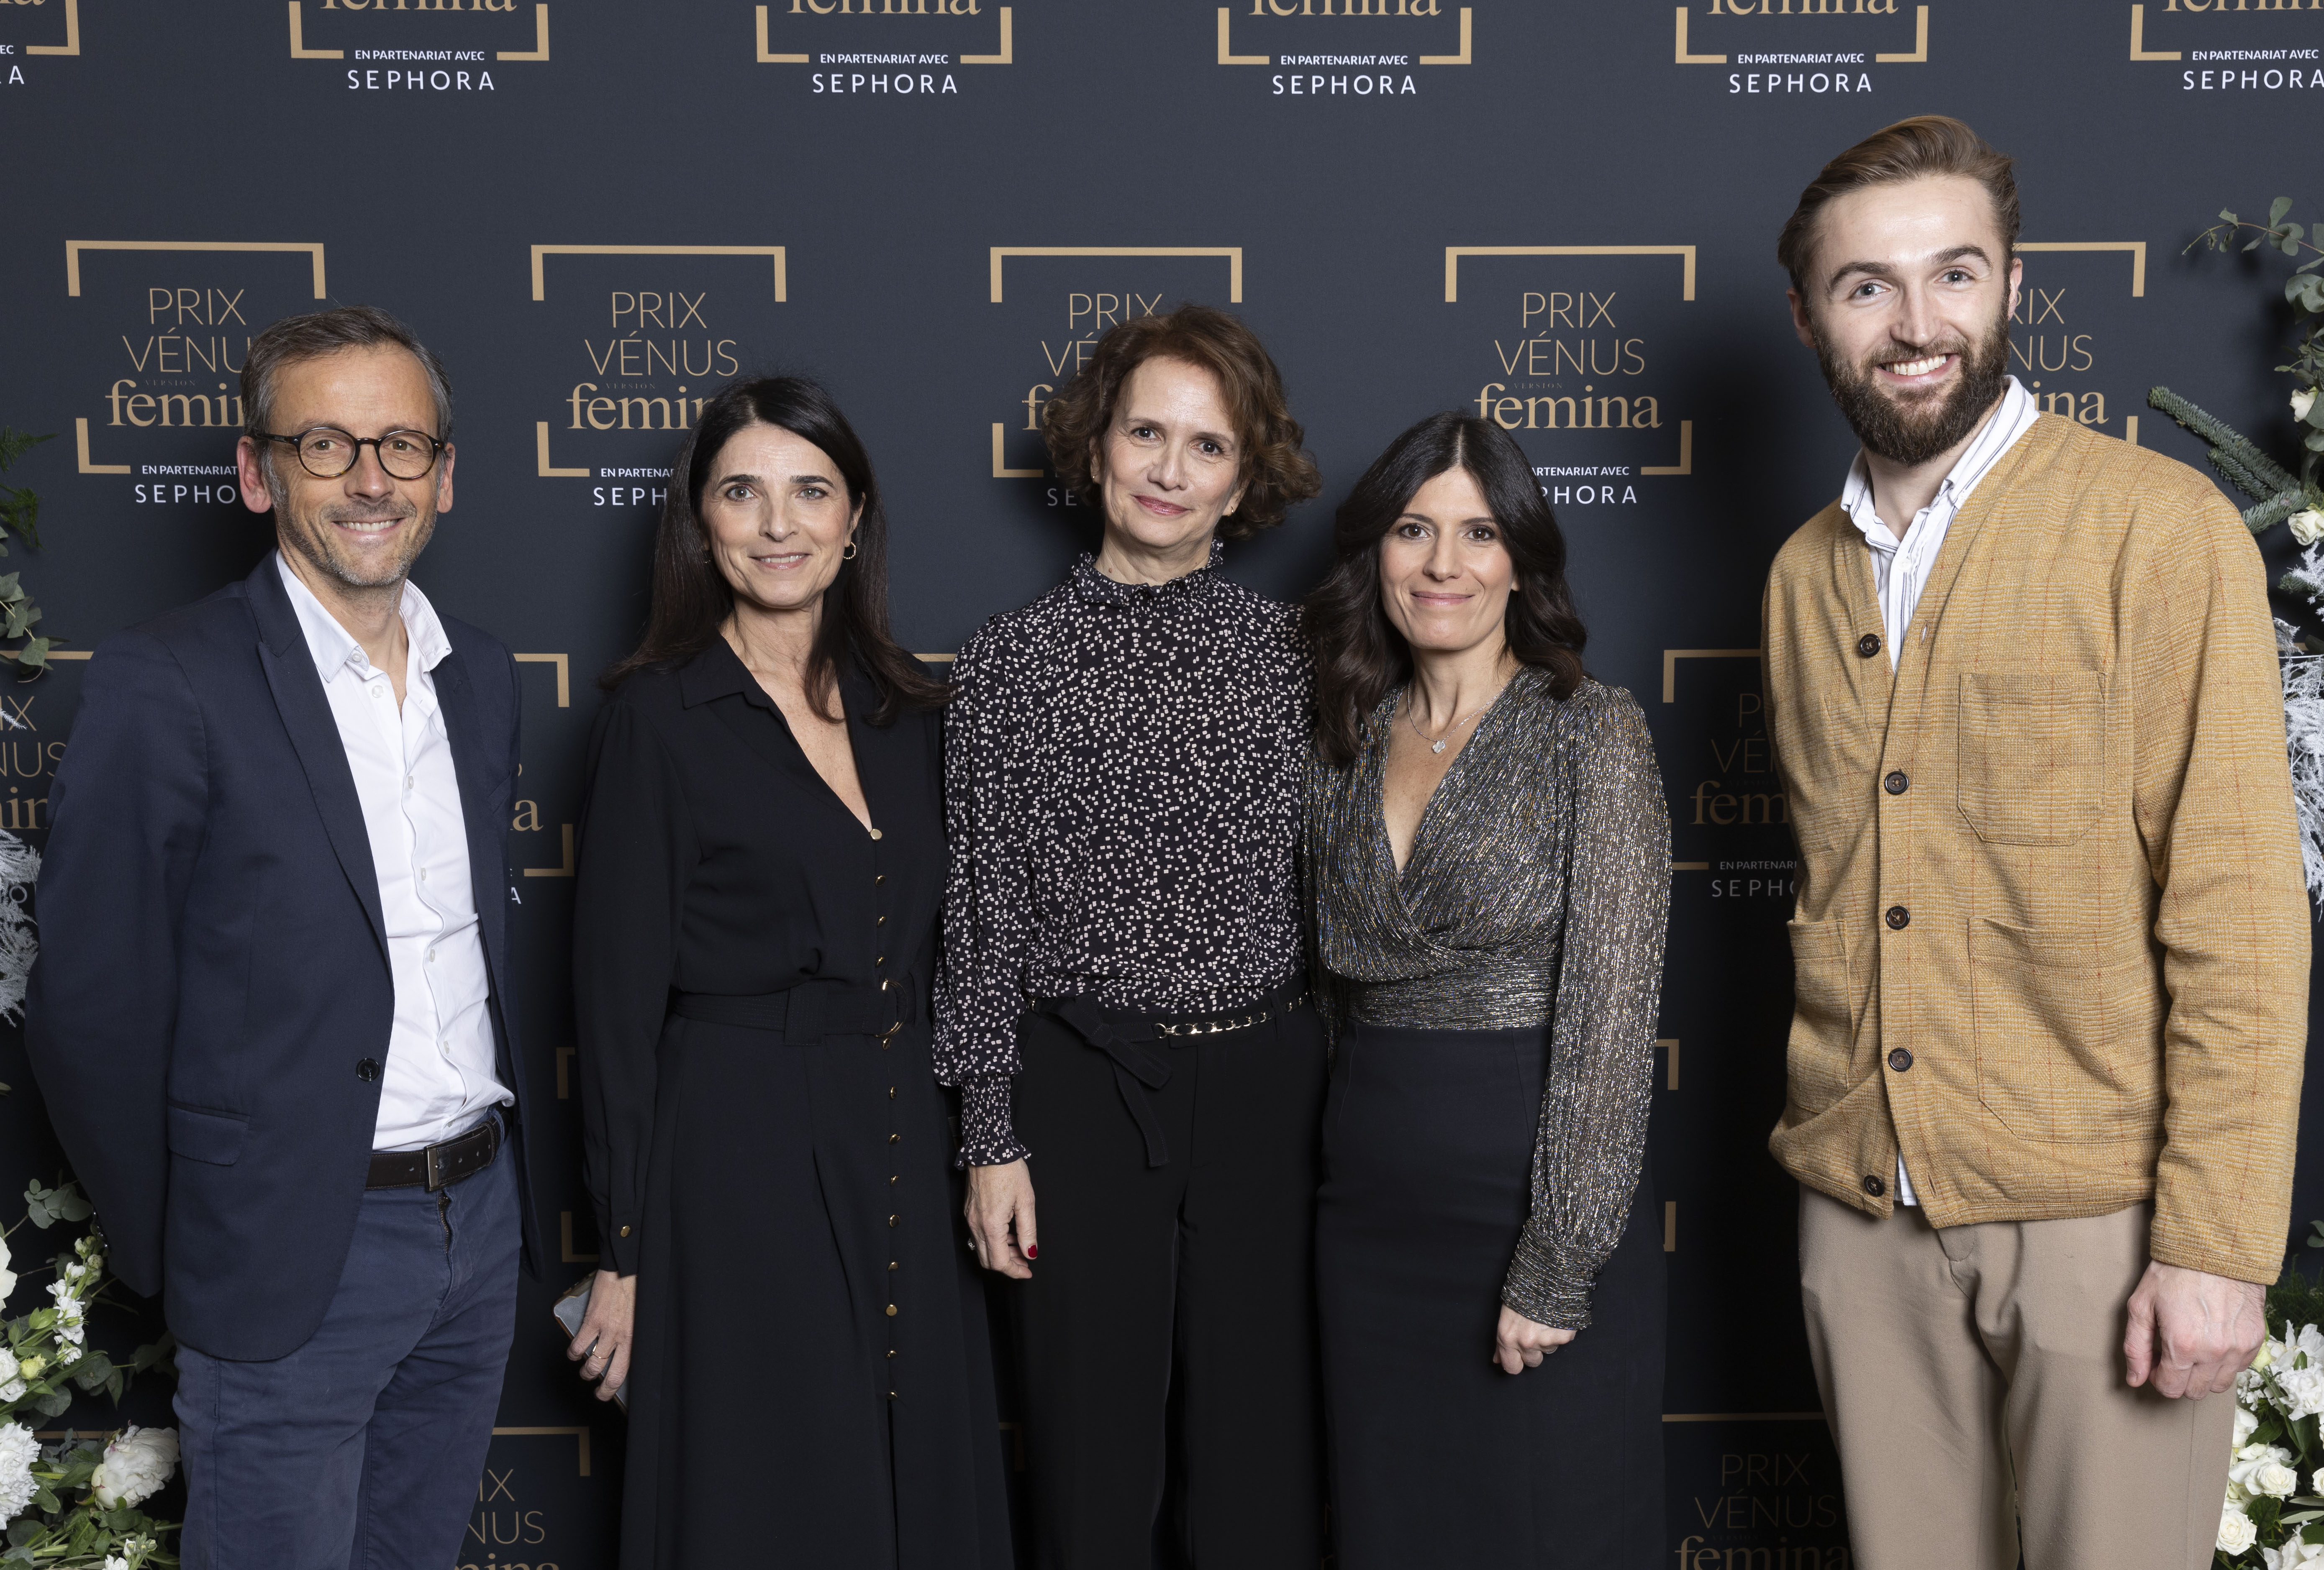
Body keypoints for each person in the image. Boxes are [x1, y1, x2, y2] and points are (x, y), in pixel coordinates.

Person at [1761, 115, 2309, 1570]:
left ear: (2011, 286)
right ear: (1809, 314)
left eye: (1955, 274)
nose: (1917, 323)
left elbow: (2243, 912)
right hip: (1861, 1219)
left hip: (2103, 1225)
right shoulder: (1802, 575)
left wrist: (2215, 1247)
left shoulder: (2158, 528)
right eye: (1868, 286)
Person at [24, 305, 544, 1568]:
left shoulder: (480, 671)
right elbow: (90, 1008)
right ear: (259, 474)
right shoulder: (168, 679)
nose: (371, 479)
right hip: (289, 1245)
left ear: (445, 475)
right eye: (326, 445)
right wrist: (193, 1240)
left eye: (402, 445)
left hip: (476, 1226)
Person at [565, 376, 1012, 1569]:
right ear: (700, 522)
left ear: (854, 518)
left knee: (910, 1467)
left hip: (903, 1127)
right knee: (778, 1478)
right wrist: (623, 1253)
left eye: (810, 491)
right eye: (742, 493)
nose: (778, 525)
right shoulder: (657, 718)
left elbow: (971, 949)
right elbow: (615, 1009)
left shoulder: (915, 709)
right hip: (734, 1146)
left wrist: (989, 1141)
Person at [939, 305, 1326, 1567]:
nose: (1170, 469)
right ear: (1095, 447)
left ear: (1244, 483)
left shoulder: (1299, 658)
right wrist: (991, 1136)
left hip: (1269, 1089)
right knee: (1091, 1466)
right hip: (1085, 1090)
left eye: (1208, 446)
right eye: (1146, 432)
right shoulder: (1008, 664)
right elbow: (984, 911)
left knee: (1260, 1467)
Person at [1300, 411, 1670, 1568]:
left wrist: (1560, 1258)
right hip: (1366, 1208)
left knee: (1550, 1523)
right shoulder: (1343, 733)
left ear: (1522, 558)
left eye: (1478, 532)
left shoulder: (1591, 729)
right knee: (1394, 1526)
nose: (1443, 564)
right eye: (1414, 530)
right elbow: (1326, 995)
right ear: (1377, 552)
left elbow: (1614, 1012)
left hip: (1526, 1193)